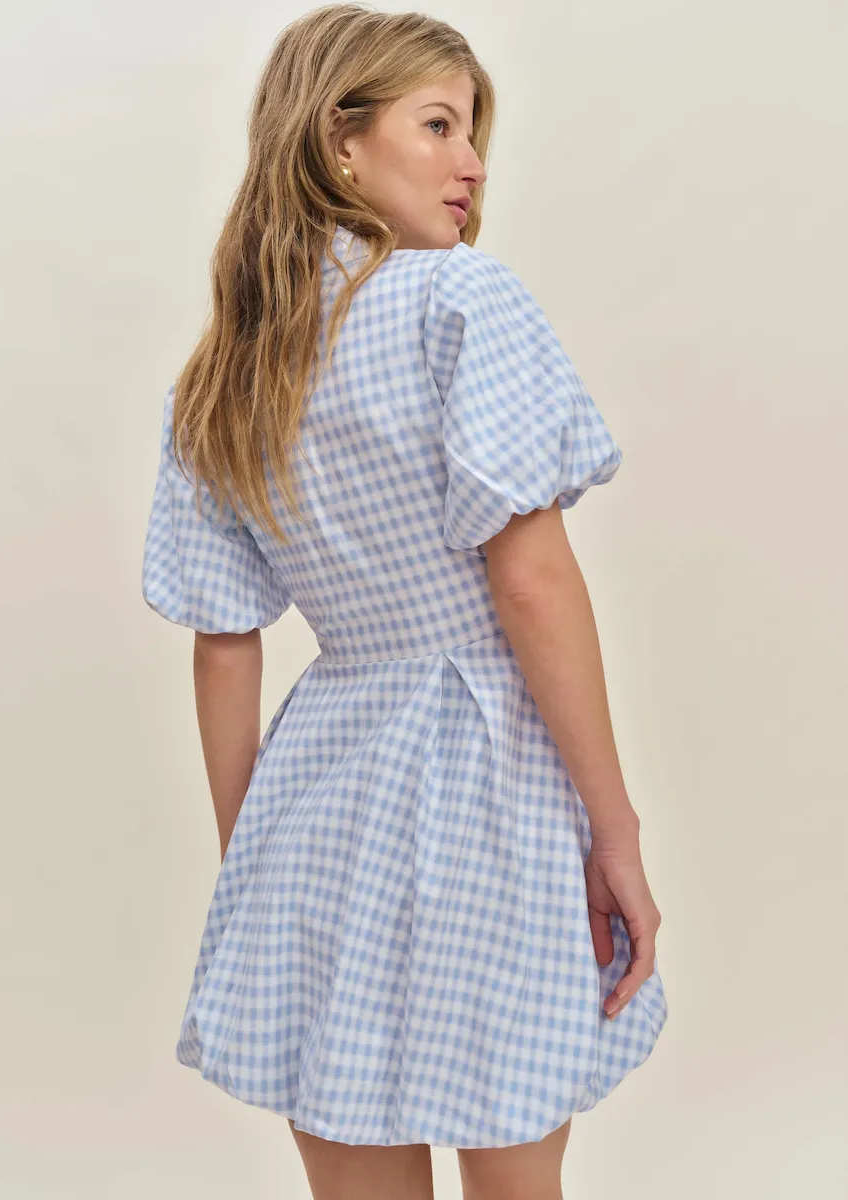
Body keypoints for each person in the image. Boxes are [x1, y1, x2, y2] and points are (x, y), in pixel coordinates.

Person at [140, 4, 668, 1197]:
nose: (471, 162)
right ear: (340, 139)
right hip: (490, 777)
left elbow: (225, 647)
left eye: (475, 131)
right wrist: (616, 830)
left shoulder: (222, 377)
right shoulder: (460, 302)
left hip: (318, 793)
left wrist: (249, 858)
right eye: (438, 125)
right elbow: (529, 580)